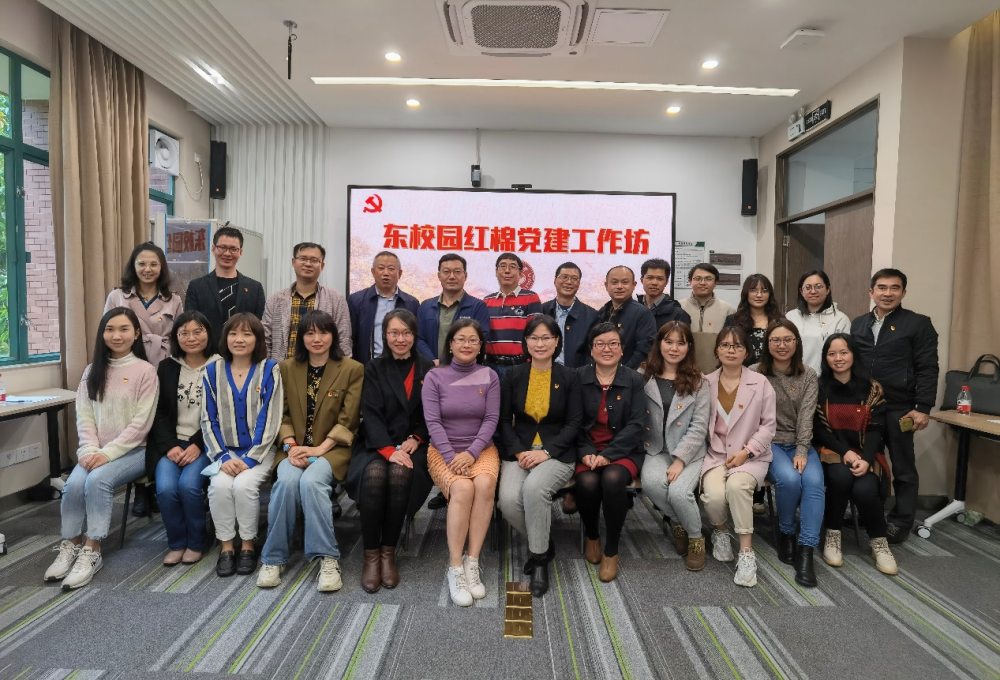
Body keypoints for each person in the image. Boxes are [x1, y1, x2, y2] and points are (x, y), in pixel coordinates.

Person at [44, 308, 159, 589]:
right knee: (73, 484)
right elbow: (84, 416)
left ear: (136, 334)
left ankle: (92, 550)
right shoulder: (91, 370)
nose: (116, 335)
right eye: (110, 329)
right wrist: (88, 450)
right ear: (102, 333)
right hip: (95, 451)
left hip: (135, 451)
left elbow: (141, 425)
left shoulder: (146, 371)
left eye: (124, 329)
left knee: (97, 481)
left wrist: (106, 454)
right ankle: (71, 543)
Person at [257, 311, 363, 592]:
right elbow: (281, 414)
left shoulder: (352, 369)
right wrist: (291, 446)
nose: (317, 339)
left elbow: (349, 420)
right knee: (287, 482)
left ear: (333, 336)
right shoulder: (285, 368)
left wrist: (318, 448)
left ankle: (327, 558)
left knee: (312, 482)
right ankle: (273, 558)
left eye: (323, 332)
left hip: (332, 449)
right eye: (310, 333)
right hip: (293, 448)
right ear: (300, 337)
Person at [346, 309, 435, 593]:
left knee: (399, 475)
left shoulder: (427, 367)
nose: (400, 339)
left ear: (414, 335)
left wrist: (417, 438)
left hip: (413, 444)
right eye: (394, 333)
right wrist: (386, 449)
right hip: (376, 441)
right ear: (385, 335)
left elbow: (432, 413)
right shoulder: (373, 367)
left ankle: (388, 552)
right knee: (374, 476)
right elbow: (370, 413)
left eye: (406, 333)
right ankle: (371, 555)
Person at [850, 268, 939, 544]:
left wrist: (923, 407)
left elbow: (928, 368)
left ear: (903, 292)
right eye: (882, 287)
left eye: (894, 288)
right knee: (871, 463)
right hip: (866, 407)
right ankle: (871, 513)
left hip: (901, 407)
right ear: (871, 291)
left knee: (902, 467)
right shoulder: (858, 324)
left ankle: (901, 520)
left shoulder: (918, 324)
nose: (887, 293)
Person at [498, 315, 581, 596]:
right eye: (534, 337)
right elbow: (503, 421)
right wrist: (519, 450)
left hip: (557, 453)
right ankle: (544, 540)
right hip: (520, 451)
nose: (540, 343)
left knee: (534, 489)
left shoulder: (570, 376)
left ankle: (539, 559)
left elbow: (574, 423)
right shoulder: (514, 375)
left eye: (546, 337)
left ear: (557, 341)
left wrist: (546, 452)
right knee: (508, 501)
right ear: (526, 341)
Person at [422, 319, 500, 606]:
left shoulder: (490, 375)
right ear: (451, 344)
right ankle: (455, 566)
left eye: (473, 340)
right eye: (461, 339)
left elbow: (491, 418)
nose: (467, 345)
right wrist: (451, 456)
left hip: (480, 449)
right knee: (463, 489)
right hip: (444, 450)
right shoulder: (435, 376)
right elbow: (433, 422)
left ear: (480, 346)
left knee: (485, 483)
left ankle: (472, 561)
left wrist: (472, 452)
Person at [202, 313, 283, 578]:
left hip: (259, 452)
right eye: (233, 333)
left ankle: (248, 545)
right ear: (225, 338)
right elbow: (208, 419)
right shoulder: (212, 371)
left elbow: (271, 419)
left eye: (247, 334)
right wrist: (223, 457)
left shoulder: (269, 369)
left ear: (257, 339)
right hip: (225, 452)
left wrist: (249, 459)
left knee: (244, 485)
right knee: (219, 486)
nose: (239, 339)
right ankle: (227, 546)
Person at [814, 333, 898, 575]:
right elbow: (818, 430)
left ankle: (879, 542)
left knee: (864, 488)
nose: (838, 358)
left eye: (844, 352)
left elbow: (876, 429)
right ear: (825, 358)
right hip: (832, 452)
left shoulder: (872, 389)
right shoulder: (819, 387)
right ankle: (833, 534)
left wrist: (866, 459)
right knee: (840, 478)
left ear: (854, 355)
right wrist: (846, 453)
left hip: (866, 454)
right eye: (832, 354)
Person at [701, 326, 775, 587]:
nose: (731, 350)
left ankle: (746, 551)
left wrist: (748, 451)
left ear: (747, 352)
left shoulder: (761, 382)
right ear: (717, 350)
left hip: (751, 456)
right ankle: (721, 532)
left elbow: (769, 426)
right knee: (713, 496)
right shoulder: (705, 383)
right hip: (716, 454)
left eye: (737, 346)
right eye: (725, 345)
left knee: (737, 486)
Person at [751, 320, 822, 587]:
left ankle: (806, 550)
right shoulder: (754, 372)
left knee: (814, 483)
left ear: (797, 343)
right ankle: (787, 533)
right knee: (790, 480)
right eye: (776, 340)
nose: (782, 345)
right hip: (768, 443)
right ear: (767, 344)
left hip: (799, 442)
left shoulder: (808, 375)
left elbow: (806, 416)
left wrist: (802, 450)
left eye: (788, 340)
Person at [575, 323, 647, 582]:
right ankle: (592, 535)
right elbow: (572, 422)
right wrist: (585, 451)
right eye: (600, 344)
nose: (607, 349)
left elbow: (637, 424)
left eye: (613, 343)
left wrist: (610, 454)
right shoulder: (578, 377)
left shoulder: (634, 379)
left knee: (613, 479)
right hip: (588, 448)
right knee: (587, 482)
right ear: (591, 349)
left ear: (622, 349)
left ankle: (611, 549)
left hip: (624, 449)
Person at [148, 312, 218, 566]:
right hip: (172, 444)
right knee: (166, 489)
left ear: (208, 333)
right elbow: (159, 413)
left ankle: (196, 542)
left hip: (207, 444)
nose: (191, 338)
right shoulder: (167, 367)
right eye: (184, 333)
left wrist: (198, 444)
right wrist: (170, 446)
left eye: (198, 331)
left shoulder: (220, 366)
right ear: (175, 337)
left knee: (189, 486)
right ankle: (177, 543)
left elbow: (222, 414)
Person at [639, 321, 710, 572]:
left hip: (689, 452)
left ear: (688, 347)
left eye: (681, 343)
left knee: (680, 493)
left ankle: (696, 538)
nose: (674, 348)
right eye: (668, 341)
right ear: (659, 344)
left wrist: (680, 460)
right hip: (656, 448)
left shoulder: (699, 381)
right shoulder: (643, 375)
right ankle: (680, 523)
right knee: (651, 484)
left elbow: (699, 427)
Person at [263, 242, 352, 362]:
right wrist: (267, 369)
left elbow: (344, 340)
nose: (308, 264)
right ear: (293, 262)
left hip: (324, 369)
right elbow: (265, 339)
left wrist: (342, 369)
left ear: (322, 266)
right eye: (303, 259)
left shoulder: (336, 299)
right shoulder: (275, 300)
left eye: (314, 260)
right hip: (282, 368)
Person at [184, 226, 266, 350]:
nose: (227, 253)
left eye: (233, 249)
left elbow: (259, 326)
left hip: (243, 354)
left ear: (240, 252)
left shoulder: (255, 288)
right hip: (207, 353)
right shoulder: (196, 286)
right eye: (222, 247)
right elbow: (191, 324)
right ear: (213, 249)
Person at [104, 242, 183, 368]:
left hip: (164, 361)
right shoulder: (116, 296)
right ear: (133, 266)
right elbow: (107, 332)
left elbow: (180, 336)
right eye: (141, 264)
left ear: (162, 267)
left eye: (153, 264)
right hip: (127, 360)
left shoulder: (174, 299)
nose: (147, 269)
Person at [416, 253, 491, 364]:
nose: (452, 276)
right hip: (430, 367)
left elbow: (481, 339)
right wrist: (432, 362)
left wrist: (445, 362)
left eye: (457, 272)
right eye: (446, 272)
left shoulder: (478, 307)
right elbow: (419, 338)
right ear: (439, 276)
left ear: (465, 276)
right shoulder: (426, 306)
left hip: (464, 368)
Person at [347, 251, 420, 365]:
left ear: (400, 273)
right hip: (367, 365)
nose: (386, 273)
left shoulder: (411, 303)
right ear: (373, 272)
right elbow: (350, 338)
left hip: (402, 366)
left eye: (391, 269)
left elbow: (415, 338)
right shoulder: (356, 301)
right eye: (381, 268)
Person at [483, 252, 542, 380]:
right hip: (491, 367)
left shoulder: (531, 298)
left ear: (520, 274)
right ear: (496, 272)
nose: (507, 271)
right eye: (503, 266)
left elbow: (537, 334)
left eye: (513, 267)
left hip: (520, 366)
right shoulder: (487, 301)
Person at [784, 270, 850, 374]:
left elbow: (845, 354)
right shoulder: (791, 317)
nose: (813, 291)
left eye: (818, 287)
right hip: (795, 375)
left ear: (827, 290)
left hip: (827, 377)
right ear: (801, 291)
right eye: (808, 287)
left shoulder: (840, 319)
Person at [597, 266, 657, 370]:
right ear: (606, 285)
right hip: (602, 373)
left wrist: (622, 372)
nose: (619, 286)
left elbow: (644, 351)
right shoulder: (602, 312)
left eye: (625, 282)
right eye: (614, 282)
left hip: (629, 375)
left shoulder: (642, 313)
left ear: (634, 285)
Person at [679, 263, 736, 374]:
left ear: (715, 282)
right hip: (683, 371)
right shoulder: (678, 308)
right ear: (690, 281)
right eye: (697, 279)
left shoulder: (728, 310)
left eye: (708, 279)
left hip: (717, 372)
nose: (702, 283)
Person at [541, 262, 599, 369]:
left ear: (579, 283)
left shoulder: (591, 316)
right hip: (544, 371)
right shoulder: (542, 311)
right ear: (555, 281)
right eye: (564, 277)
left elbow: (592, 351)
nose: (568, 282)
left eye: (574, 278)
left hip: (577, 374)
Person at [724, 274, 782, 367]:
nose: (759, 295)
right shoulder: (732, 320)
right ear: (746, 293)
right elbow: (725, 349)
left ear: (770, 294)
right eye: (753, 290)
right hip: (741, 371)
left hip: (772, 371)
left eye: (764, 291)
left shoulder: (779, 320)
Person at [636, 258, 691, 330]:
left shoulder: (678, 314)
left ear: (666, 282)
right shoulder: (633, 309)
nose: (654, 283)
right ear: (642, 280)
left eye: (660, 279)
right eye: (650, 278)